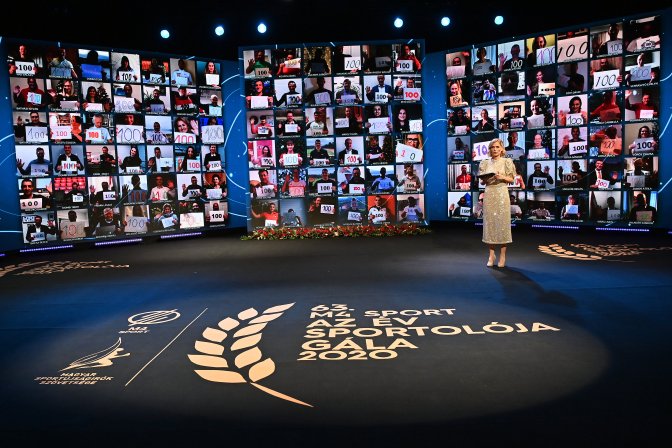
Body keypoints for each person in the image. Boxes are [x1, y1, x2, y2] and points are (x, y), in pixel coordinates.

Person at [478, 138, 516, 267]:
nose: (494, 149)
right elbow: (482, 181)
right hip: (489, 193)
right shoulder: (484, 163)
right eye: (492, 147)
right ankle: (491, 255)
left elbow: (511, 179)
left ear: (501, 149)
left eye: (497, 147)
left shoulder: (507, 161)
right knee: (490, 224)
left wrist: (501, 177)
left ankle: (503, 256)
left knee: (502, 224)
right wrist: (486, 179)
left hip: (502, 193)